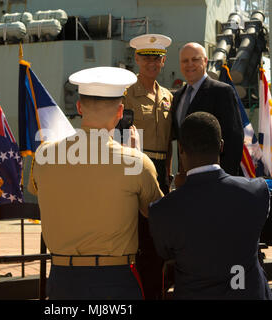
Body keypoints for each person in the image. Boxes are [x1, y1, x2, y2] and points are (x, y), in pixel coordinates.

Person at [28, 66, 163, 300]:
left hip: (62, 279)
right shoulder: (136, 162)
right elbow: (157, 213)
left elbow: (37, 189)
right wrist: (135, 156)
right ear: (120, 112)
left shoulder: (43, 155)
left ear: (79, 107)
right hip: (115, 280)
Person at [149, 111, 272, 300]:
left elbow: (165, 252)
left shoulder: (162, 210)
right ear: (221, 146)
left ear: (180, 149)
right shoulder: (257, 191)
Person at [123, 33, 173, 300]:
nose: (151, 64)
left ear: (163, 61)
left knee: (157, 236)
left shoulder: (167, 96)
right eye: (146, 58)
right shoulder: (127, 95)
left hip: (161, 169)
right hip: (136, 167)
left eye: (157, 59)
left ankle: (155, 289)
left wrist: (169, 173)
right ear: (137, 59)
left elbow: (169, 141)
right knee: (138, 235)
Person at [172, 42, 243, 186]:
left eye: (195, 59)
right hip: (187, 181)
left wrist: (225, 181)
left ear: (205, 61)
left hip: (214, 181)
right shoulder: (178, 96)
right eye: (185, 61)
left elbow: (234, 139)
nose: (189, 64)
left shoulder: (222, 92)